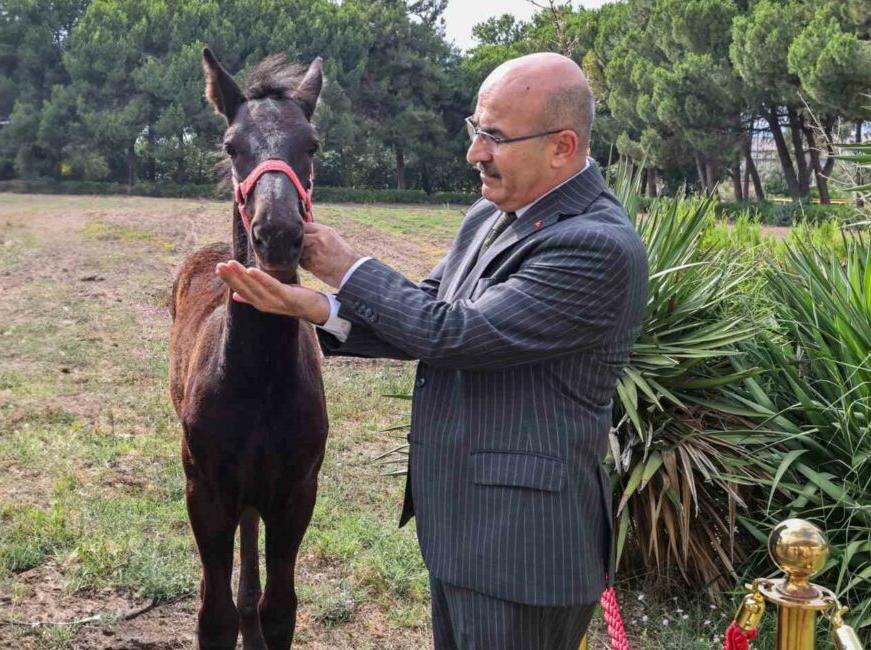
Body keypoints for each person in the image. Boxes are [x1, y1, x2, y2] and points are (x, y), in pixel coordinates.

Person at [215, 52, 648, 650]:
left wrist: (349, 268)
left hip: (522, 555)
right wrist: (314, 308)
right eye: (477, 130)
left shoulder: (594, 247)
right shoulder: (492, 214)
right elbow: (425, 309)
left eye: (494, 136)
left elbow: (456, 333)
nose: (475, 152)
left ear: (562, 147)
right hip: (463, 538)